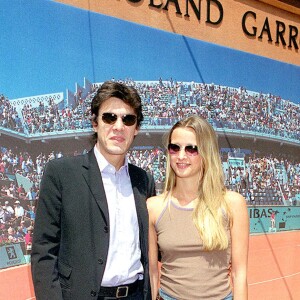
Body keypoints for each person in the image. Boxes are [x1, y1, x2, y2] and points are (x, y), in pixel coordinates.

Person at [31, 81, 156, 300]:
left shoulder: (144, 180)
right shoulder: (61, 173)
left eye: (128, 119)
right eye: (109, 117)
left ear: (136, 129)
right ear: (95, 123)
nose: (118, 126)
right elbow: (44, 251)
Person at [147, 115, 249, 300]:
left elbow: (239, 274)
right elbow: (153, 274)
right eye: (174, 147)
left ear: (206, 152)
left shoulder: (233, 204)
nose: (181, 156)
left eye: (191, 149)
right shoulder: (153, 207)